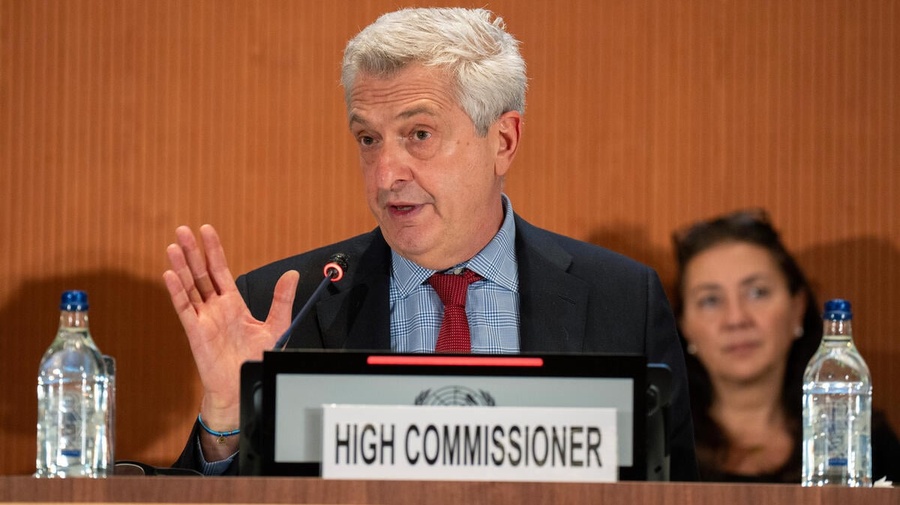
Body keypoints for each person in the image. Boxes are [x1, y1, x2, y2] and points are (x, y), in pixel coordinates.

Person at [163, 7, 698, 480]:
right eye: (368, 140)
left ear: (504, 141)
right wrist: (227, 422)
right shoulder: (285, 304)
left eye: (419, 134)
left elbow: (675, 495)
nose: (385, 174)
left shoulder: (622, 299)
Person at [672, 208, 900, 483]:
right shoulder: (658, 445)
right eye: (710, 300)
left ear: (797, 308)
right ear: (684, 325)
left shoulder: (861, 439)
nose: (736, 319)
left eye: (758, 292)